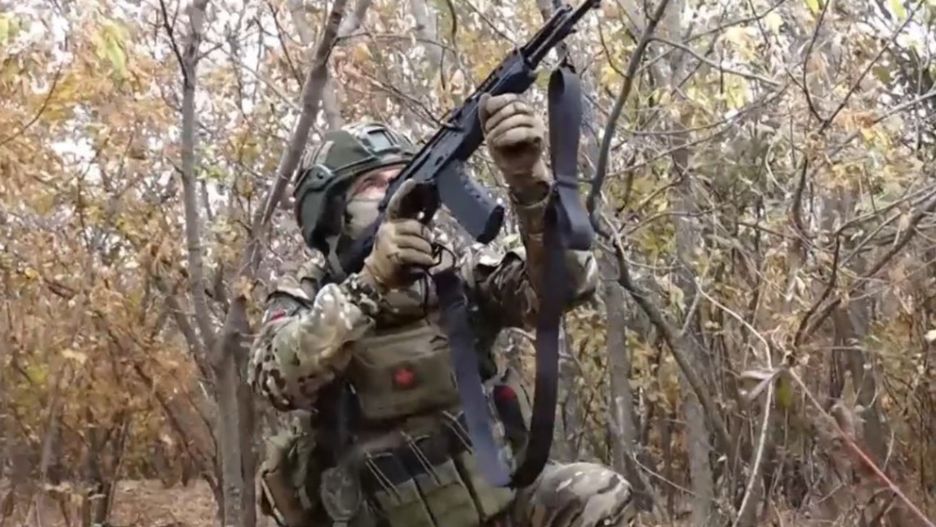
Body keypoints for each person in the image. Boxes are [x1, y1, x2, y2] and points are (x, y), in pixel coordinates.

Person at [248, 93, 636, 527]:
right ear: (330, 213)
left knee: (596, 496)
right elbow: (276, 379)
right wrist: (370, 284)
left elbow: (567, 286)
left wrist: (531, 187)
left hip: (503, 506)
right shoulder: (307, 298)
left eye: (403, 177)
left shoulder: (455, 277)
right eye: (374, 184)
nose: (396, 191)